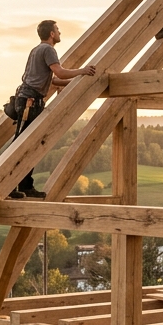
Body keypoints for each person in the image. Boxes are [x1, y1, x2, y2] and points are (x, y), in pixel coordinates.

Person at [8, 21, 96, 199]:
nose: (60, 32)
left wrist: (76, 81)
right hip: (30, 103)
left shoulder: (36, 50)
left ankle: (25, 186)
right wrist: (83, 71)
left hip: (28, 100)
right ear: (51, 34)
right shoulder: (48, 50)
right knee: (23, 147)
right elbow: (60, 72)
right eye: (57, 30)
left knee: (29, 146)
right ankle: (9, 186)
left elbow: (53, 80)